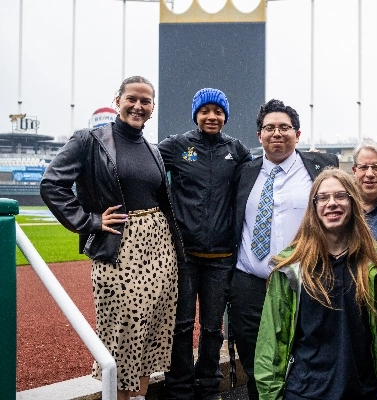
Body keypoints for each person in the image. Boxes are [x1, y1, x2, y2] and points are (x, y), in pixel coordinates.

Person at [40, 76, 184, 400]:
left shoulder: (154, 150)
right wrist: (89, 221)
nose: (138, 105)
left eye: (145, 101)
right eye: (131, 98)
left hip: (161, 252)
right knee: (122, 337)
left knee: (152, 335)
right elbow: (52, 184)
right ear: (117, 101)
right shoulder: (88, 140)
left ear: (152, 108)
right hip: (120, 249)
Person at [254, 167, 377, 400]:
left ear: (353, 203)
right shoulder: (291, 266)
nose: (332, 203)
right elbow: (271, 344)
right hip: (303, 393)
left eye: (340, 196)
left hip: (362, 392)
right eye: (323, 198)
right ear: (314, 207)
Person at [229, 99, 339, 400]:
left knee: (305, 357)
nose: (276, 133)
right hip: (249, 284)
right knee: (255, 363)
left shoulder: (320, 169)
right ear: (259, 135)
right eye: (269, 128)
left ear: (298, 134)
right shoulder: (244, 173)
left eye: (284, 127)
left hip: (304, 279)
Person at [158, 88, 252, 400]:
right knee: (182, 325)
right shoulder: (176, 146)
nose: (212, 117)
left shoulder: (236, 150)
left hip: (222, 256)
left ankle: (209, 385)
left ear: (225, 116)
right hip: (184, 255)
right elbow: (147, 172)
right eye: (205, 111)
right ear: (196, 115)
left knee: (213, 328)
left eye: (218, 112)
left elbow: (255, 182)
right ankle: (179, 385)